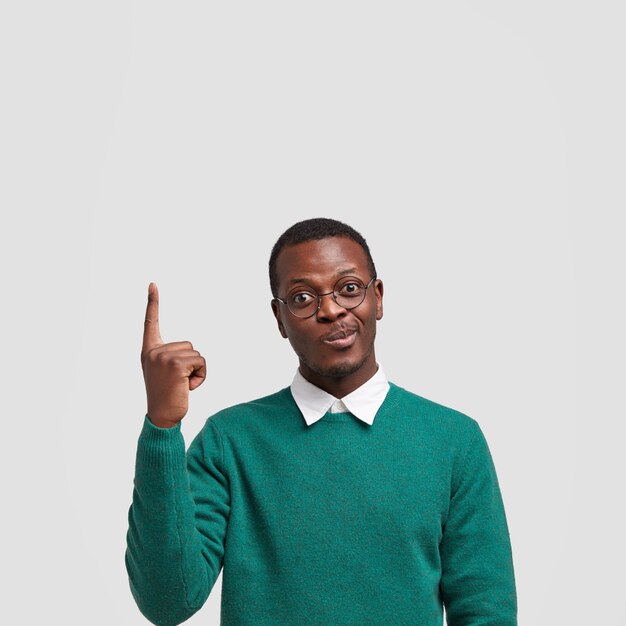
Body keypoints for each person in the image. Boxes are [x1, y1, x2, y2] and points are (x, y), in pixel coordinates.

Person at [125, 217, 517, 625]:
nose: (330, 310)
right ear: (279, 319)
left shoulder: (453, 440)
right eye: (301, 298)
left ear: (377, 298)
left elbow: (486, 613)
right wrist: (163, 426)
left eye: (349, 289)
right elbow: (167, 601)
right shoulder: (230, 441)